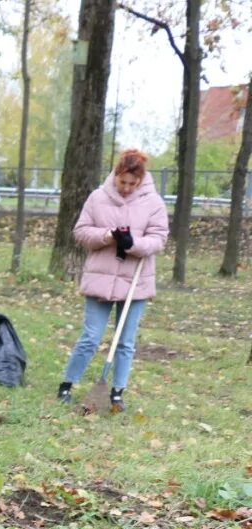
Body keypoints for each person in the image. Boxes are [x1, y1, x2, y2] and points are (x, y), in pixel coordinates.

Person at [59, 148, 169, 412]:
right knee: (90, 337)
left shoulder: (154, 203)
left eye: (133, 183)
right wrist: (107, 236)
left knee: (126, 341)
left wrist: (135, 243)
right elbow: (81, 232)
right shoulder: (97, 198)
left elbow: (160, 238)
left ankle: (117, 392)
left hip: (135, 282)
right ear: (116, 175)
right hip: (101, 279)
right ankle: (67, 384)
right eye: (123, 182)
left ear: (141, 180)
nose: (128, 188)